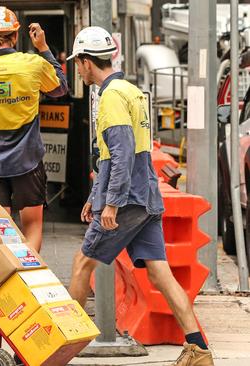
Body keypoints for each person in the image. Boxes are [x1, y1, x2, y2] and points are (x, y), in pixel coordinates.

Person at [66, 26, 213, 366]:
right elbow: (116, 155)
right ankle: (199, 349)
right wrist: (95, 196)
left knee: (81, 263)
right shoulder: (130, 91)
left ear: (88, 62)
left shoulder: (111, 96)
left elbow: (121, 154)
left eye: (78, 62)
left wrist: (111, 203)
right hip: (145, 195)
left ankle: (60, 349)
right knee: (161, 273)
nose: (78, 68)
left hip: (128, 200)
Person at [0, 6, 68, 252]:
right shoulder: (34, 63)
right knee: (33, 226)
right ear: (16, 36)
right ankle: (28, 279)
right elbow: (60, 89)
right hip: (28, 162)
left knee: (0, 231)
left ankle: (7, 283)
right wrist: (44, 48)